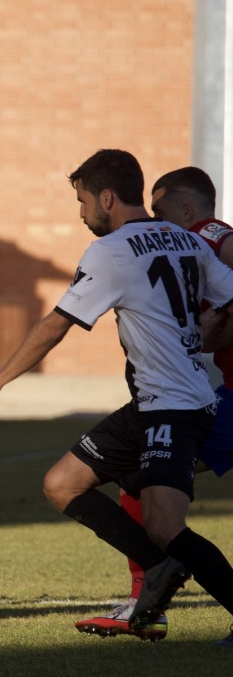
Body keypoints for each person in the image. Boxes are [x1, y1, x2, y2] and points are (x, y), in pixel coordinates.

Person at [0, 149, 233, 647]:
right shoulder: (180, 237)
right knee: (62, 484)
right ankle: (158, 571)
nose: (82, 212)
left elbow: (56, 325)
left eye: (83, 200)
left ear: (107, 198)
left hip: (176, 409)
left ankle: (175, 571)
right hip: (154, 404)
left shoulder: (111, 251)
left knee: (165, 524)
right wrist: (207, 326)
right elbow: (228, 289)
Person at [73, 166, 233, 642]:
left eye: (161, 211)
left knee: (147, 479)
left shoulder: (206, 233)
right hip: (221, 394)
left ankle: (151, 594)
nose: (156, 222)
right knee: (140, 477)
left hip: (221, 402)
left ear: (186, 210)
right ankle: (150, 595)